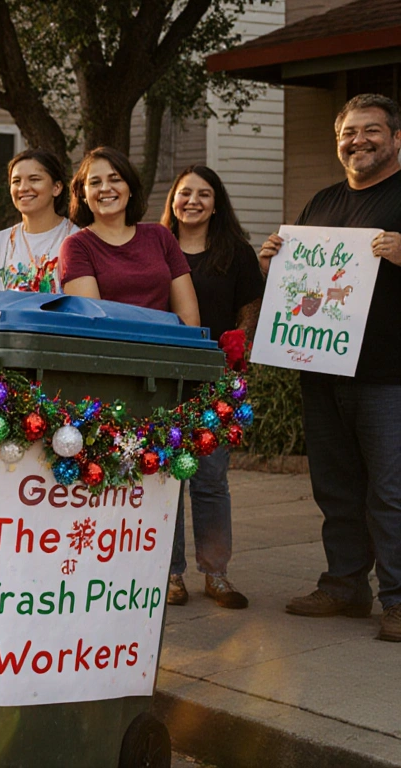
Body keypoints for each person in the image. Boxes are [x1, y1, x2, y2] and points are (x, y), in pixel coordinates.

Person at [258, 94, 401, 642]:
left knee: (390, 492)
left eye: (371, 130)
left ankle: (398, 599)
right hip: (320, 370)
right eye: (348, 132)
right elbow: (303, 287)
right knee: (336, 488)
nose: (358, 141)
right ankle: (345, 585)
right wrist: (273, 262)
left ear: (394, 139)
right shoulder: (320, 202)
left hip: (389, 374)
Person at [159, 165, 263, 609]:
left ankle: (216, 573)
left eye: (204, 194)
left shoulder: (235, 251)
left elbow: (251, 306)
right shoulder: (156, 247)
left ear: (216, 203)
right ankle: (170, 574)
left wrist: (241, 344)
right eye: (185, 193)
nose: (193, 201)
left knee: (210, 480)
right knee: (166, 479)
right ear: (173, 200)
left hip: (215, 379)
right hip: (163, 376)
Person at [60, 147, 200, 327]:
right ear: (83, 194)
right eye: (95, 182)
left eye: (115, 179)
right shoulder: (76, 246)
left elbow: (190, 321)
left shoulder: (161, 236)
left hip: (167, 349)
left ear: (130, 188)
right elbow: (93, 325)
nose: (105, 188)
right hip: (113, 352)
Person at [0, 148, 79, 293]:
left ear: (57, 187)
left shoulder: (79, 241)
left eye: (34, 179)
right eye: (16, 181)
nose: (23, 188)